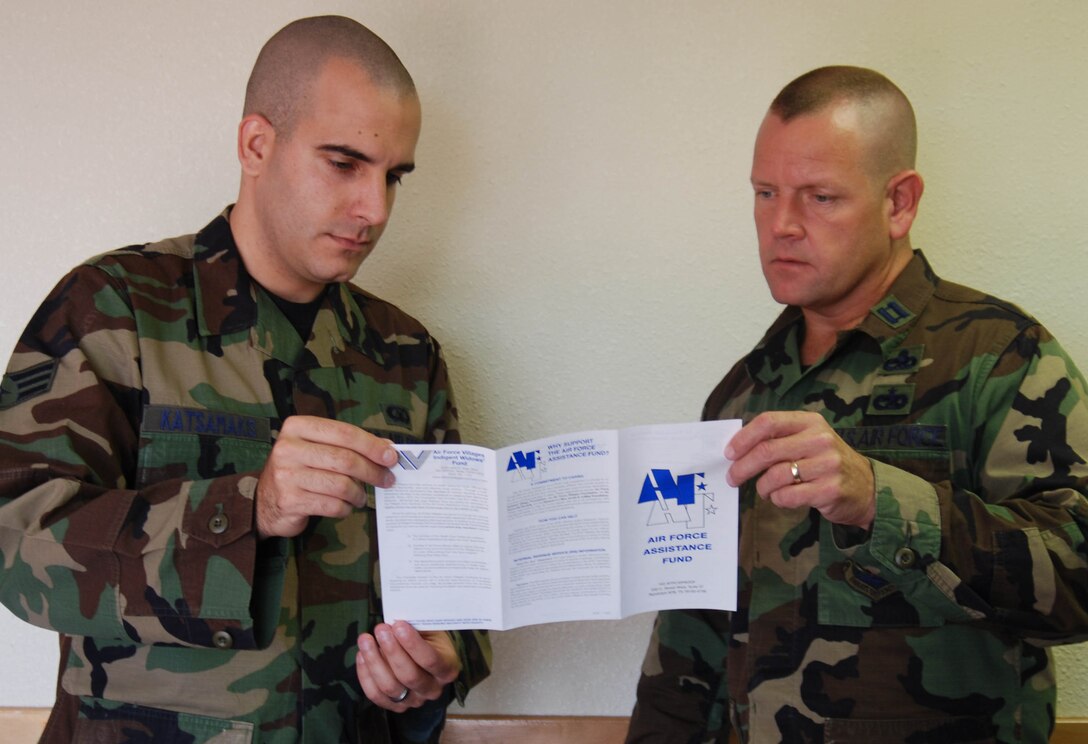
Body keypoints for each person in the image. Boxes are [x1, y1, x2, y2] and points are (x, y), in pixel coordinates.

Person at [0, 15, 489, 744]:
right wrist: (246, 506)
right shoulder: (113, 308)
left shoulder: (406, 354)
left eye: (394, 177)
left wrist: (440, 664)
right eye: (345, 164)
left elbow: (464, 585)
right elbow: (17, 542)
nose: (376, 210)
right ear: (257, 144)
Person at [626, 66, 1088, 743]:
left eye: (819, 197)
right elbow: (690, 630)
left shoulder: (1000, 356)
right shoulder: (743, 390)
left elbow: (1080, 576)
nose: (781, 225)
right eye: (764, 193)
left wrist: (880, 498)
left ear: (899, 202)